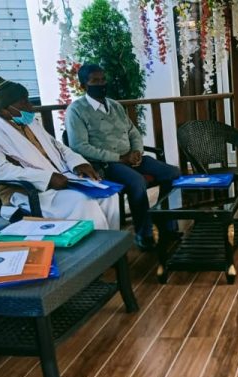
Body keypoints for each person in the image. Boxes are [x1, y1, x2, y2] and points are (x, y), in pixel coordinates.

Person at [0, 77, 119, 230]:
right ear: (4, 110)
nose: (31, 107)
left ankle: (113, 241)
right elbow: (0, 171)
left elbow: (58, 147)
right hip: (27, 192)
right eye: (24, 103)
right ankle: (96, 244)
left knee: (108, 195)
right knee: (83, 201)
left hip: (61, 177)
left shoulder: (29, 122)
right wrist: (46, 178)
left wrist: (78, 162)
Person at [65, 64, 180, 250]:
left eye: (103, 80)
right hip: (107, 163)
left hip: (131, 159)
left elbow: (133, 132)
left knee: (173, 173)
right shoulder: (76, 110)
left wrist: (137, 151)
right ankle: (144, 234)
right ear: (83, 85)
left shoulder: (115, 105)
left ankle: (167, 225)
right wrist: (119, 158)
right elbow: (79, 146)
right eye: (95, 81)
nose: (101, 84)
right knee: (136, 182)